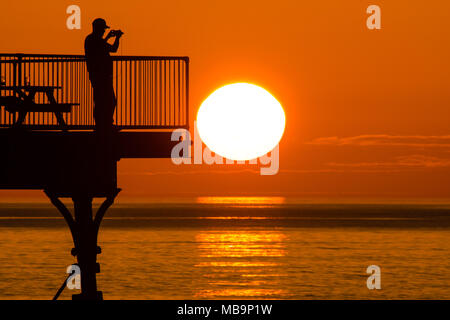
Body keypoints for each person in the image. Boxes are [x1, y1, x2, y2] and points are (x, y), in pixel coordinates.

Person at [84, 18, 123, 132]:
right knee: (109, 100)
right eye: (102, 29)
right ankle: (104, 125)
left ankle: (103, 124)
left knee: (102, 100)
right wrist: (117, 38)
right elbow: (113, 49)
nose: (103, 32)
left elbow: (101, 46)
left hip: (99, 75)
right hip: (101, 76)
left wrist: (108, 38)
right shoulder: (93, 40)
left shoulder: (92, 39)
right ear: (98, 29)